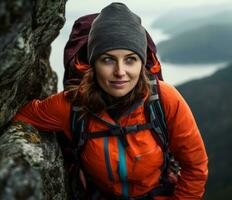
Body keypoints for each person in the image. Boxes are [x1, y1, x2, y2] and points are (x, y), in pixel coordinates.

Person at [13, 2, 208, 200]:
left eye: (130, 59)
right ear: (93, 63)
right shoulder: (72, 105)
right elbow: (19, 117)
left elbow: (195, 167)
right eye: (108, 59)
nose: (120, 72)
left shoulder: (164, 99)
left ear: (142, 63)